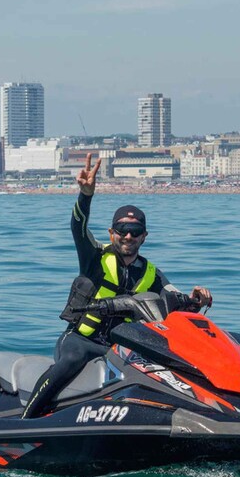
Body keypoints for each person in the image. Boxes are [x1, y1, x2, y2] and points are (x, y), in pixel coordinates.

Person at [22, 153, 212, 419]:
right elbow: (78, 226)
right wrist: (85, 196)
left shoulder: (152, 274)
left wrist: (196, 300)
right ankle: (27, 420)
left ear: (144, 236)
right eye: (122, 229)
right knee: (72, 361)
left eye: (135, 231)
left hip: (119, 350)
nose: (128, 236)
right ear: (112, 233)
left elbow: (174, 298)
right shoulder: (95, 257)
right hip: (80, 341)